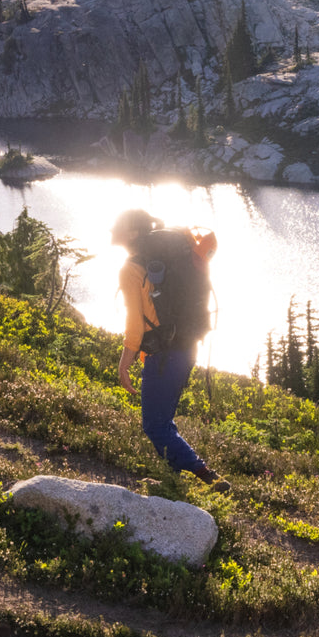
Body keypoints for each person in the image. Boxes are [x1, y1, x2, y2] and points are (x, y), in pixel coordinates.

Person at [112, 209, 230, 492]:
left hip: (164, 353)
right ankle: (174, 480)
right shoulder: (164, 258)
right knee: (161, 421)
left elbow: (135, 326)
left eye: (117, 224)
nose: (111, 229)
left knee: (155, 424)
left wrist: (124, 363)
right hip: (186, 347)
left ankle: (206, 477)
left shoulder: (131, 268)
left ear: (132, 233)